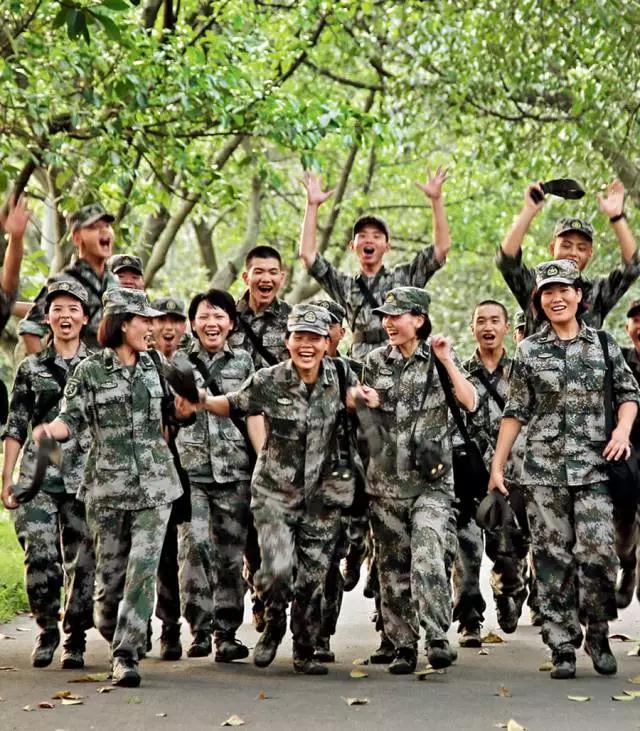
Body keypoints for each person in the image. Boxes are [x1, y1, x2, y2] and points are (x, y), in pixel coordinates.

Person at [191, 304, 364, 674]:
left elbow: (365, 401)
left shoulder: (341, 374)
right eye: (299, 337)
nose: (306, 345)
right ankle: (273, 622)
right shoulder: (269, 379)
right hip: (274, 494)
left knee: (312, 581)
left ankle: (304, 648)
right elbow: (233, 404)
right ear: (287, 341)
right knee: (277, 569)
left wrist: (365, 401)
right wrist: (202, 400)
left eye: (314, 338)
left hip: (323, 498)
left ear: (327, 342)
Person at [32, 287, 191, 688]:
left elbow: (174, 412)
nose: (151, 328)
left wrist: (187, 410)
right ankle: (111, 626)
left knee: (143, 569)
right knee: (109, 582)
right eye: (144, 321)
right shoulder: (90, 371)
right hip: (107, 489)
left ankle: (126, 654)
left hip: (156, 485)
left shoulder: (156, 365)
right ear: (122, 324)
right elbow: (70, 419)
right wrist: (51, 431)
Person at [489, 259, 640, 680]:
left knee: (598, 554)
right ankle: (561, 645)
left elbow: (629, 394)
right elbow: (515, 412)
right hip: (543, 473)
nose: (556, 298)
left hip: (595, 469)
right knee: (552, 558)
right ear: (539, 301)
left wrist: (622, 431)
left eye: (563, 290)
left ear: (579, 295)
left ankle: (598, 632)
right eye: (547, 293)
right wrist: (498, 466)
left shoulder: (604, 345)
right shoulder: (529, 351)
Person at [360, 286, 477, 674]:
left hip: (432, 483)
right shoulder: (374, 361)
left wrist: (447, 361)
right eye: (385, 316)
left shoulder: (439, 359)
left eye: (397, 316)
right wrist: (368, 405)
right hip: (386, 482)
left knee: (427, 551)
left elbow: (469, 401)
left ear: (419, 320)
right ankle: (403, 645)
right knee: (392, 566)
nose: (388, 323)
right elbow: (366, 420)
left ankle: (437, 636)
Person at [1, 280, 94, 669]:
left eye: (73, 309)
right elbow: (15, 426)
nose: (65, 316)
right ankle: (46, 629)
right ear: (47, 317)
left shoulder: (100, 366)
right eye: (58, 309)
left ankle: (75, 636)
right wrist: (7, 478)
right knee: (40, 555)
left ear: (85, 318)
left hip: (85, 477)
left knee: (84, 562)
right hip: (38, 475)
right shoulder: (31, 367)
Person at [174, 289, 255, 662]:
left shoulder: (245, 363)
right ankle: (199, 629)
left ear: (231, 324)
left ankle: (226, 633)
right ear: (193, 324)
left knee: (230, 556)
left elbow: (255, 411)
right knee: (194, 547)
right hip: (190, 473)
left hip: (234, 472)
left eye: (219, 316)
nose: (211, 323)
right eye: (204, 316)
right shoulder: (177, 363)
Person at [299, 168, 451, 361]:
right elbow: (308, 255)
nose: (369, 240)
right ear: (352, 245)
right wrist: (312, 205)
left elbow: (441, 248)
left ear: (387, 246)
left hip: (398, 361)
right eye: (362, 236)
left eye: (377, 236)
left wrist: (436, 200)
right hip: (360, 364)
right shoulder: (345, 285)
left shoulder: (403, 278)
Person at [227, 245, 292, 631]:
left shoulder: (292, 321)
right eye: (258, 272)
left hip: (279, 438)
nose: (265, 279)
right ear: (246, 277)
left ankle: (269, 596)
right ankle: (254, 589)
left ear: (281, 277)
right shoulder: (226, 319)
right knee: (244, 525)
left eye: (272, 272)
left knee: (272, 522)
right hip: (231, 436)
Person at [497, 180, 639, 335]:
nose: (573, 253)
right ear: (552, 248)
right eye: (566, 245)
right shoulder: (535, 283)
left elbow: (632, 268)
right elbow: (507, 261)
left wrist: (617, 218)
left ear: (590, 254)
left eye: (581, 248)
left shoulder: (596, 291)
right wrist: (529, 210)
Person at [20, 203, 118, 353]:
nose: (104, 230)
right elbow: (30, 329)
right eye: (94, 227)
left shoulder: (116, 283)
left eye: (107, 226)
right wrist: (44, 367)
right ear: (77, 238)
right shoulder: (63, 282)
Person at [616, 298, 640, 607]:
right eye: (637, 319)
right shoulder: (619, 361)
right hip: (625, 455)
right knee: (622, 527)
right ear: (627, 327)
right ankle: (628, 563)